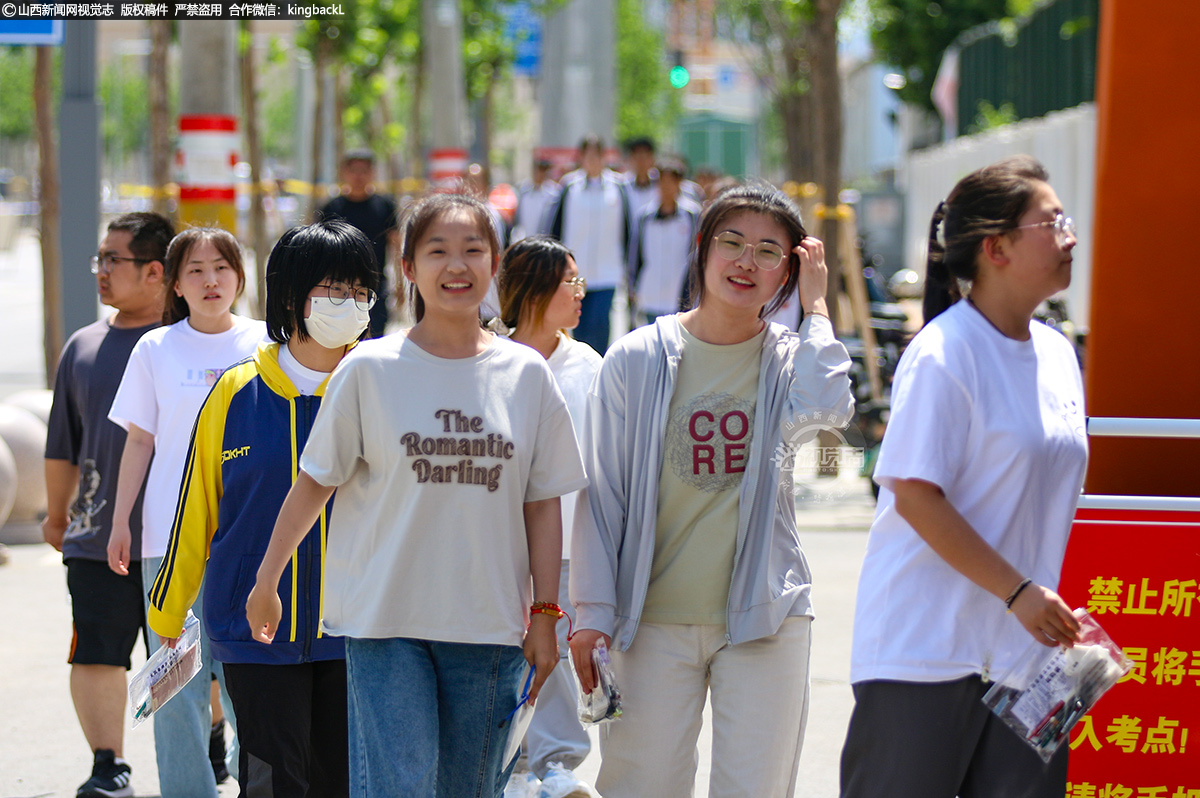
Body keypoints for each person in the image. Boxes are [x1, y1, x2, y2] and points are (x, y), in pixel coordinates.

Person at [245, 194, 588, 798]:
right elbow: (314, 482)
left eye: (472, 250)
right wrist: (267, 580)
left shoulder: (527, 376)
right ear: (407, 266)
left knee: (468, 789)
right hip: (385, 623)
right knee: (398, 788)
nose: (456, 265)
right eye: (437, 251)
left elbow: (542, 505)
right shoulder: (369, 369)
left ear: (495, 263)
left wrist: (545, 614)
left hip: (490, 627)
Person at [569, 184, 854, 797]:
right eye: (732, 242)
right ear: (701, 249)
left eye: (769, 251)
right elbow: (602, 494)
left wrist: (819, 310)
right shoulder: (638, 358)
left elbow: (826, 411)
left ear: (793, 267)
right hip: (648, 624)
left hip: (764, 620)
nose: (746, 262)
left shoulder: (787, 358)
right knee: (639, 787)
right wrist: (590, 612)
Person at [838, 155, 1086, 798]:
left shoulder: (1059, 353)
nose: (1071, 236)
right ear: (995, 246)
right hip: (928, 652)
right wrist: (1017, 592)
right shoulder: (944, 353)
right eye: (1052, 222)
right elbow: (916, 494)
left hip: (1034, 660)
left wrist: (1036, 601)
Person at [146, 219, 379, 798]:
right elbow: (196, 510)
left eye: (359, 290)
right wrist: (167, 616)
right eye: (333, 289)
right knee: (272, 784)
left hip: (360, 629)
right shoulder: (235, 390)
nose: (348, 303)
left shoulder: (381, 384)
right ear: (292, 295)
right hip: (251, 631)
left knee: (343, 781)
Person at [108, 226, 264, 798]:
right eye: (194, 270)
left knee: (252, 679)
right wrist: (121, 520)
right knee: (175, 686)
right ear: (175, 283)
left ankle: (260, 785)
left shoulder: (266, 345)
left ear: (240, 277)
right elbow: (141, 441)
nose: (210, 280)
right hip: (168, 542)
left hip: (248, 539)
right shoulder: (155, 348)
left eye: (221, 267)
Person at [43, 211, 174, 798]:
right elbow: (61, 443)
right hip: (97, 537)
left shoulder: (193, 343)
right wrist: (55, 514)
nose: (101, 271)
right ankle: (108, 764)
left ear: (154, 271)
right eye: (100, 259)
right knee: (96, 650)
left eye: (111, 260)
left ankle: (207, 744)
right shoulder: (84, 346)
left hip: (181, 537)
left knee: (189, 659)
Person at [496, 236, 602, 798]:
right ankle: (508, 768)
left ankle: (558, 769)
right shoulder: (490, 360)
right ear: (535, 290)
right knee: (502, 656)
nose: (581, 293)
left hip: (566, 546)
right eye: (571, 282)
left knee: (554, 657)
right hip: (496, 545)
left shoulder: (589, 367)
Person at [546, 134, 632, 354]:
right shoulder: (569, 186)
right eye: (587, 155)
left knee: (601, 322)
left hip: (608, 270)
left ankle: (600, 367)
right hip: (577, 271)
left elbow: (628, 229)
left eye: (597, 154)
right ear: (581, 157)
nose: (592, 160)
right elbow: (555, 227)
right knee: (580, 326)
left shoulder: (618, 186)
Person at [320, 148, 398, 337]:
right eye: (353, 170)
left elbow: (396, 243)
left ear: (373, 173)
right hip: (338, 287)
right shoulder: (332, 208)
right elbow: (320, 250)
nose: (358, 176)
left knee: (376, 338)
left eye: (364, 170)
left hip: (376, 285)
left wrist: (401, 283)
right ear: (343, 173)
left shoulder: (385, 206)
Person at [627, 157, 701, 325]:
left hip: (681, 295)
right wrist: (632, 285)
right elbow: (634, 254)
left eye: (671, 182)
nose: (666, 187)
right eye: (662, 182)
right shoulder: (644, 216)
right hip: (650, 291)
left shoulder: (692, 215)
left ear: (679, 183)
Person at [512, 156, 561, 244]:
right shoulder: (524, 190)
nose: (538, 174)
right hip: (524, 238)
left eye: (542, 171)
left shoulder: (553, 193)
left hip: (543, 240)